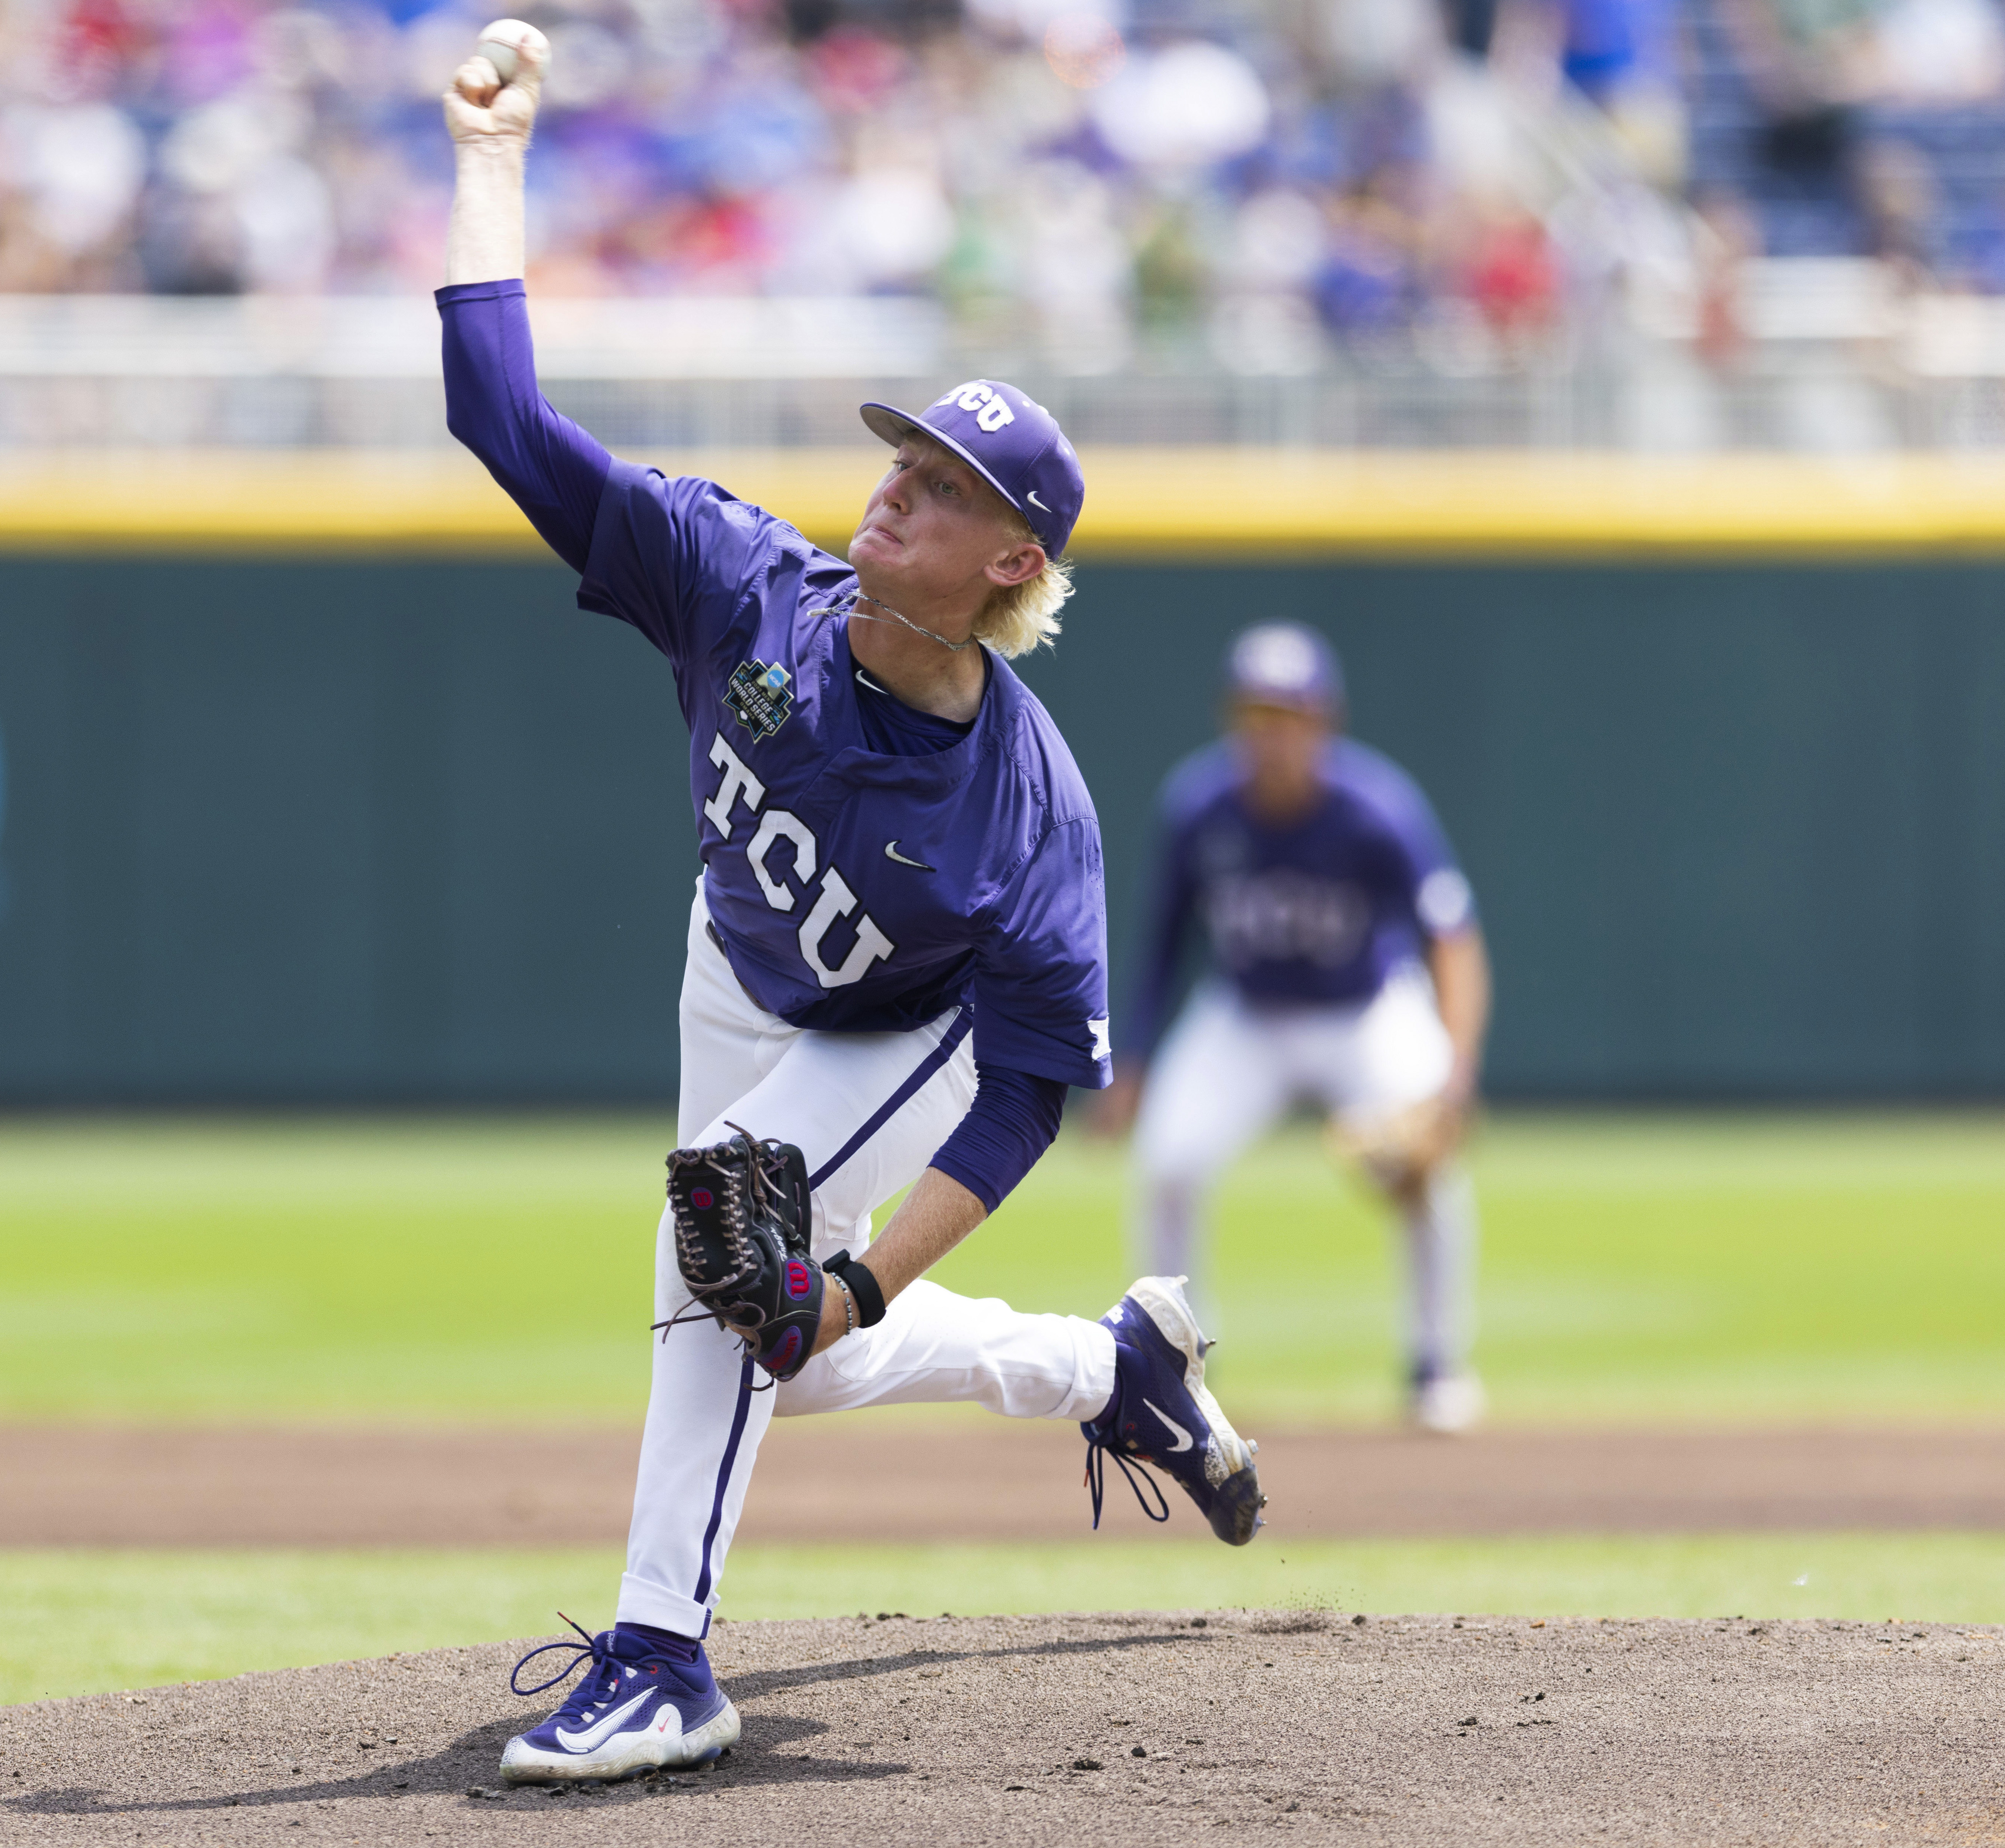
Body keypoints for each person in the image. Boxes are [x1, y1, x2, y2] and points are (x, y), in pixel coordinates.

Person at [438, 20, 1264, 1788]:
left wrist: (871, 1281)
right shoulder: (742, 585)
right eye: (905, 455)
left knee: (715, 1256)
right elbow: (496, 418)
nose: (899, 479)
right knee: (770, 1354)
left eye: (949, 487)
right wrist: (490, 166)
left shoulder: (1029, 818)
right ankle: (1108, 1365)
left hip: (916, 1038)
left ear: (1011, 563)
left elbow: (1036, 1090)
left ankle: (665, 1654)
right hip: (734, 975)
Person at [1090, 623, 1493, 1433]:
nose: (1271, 731)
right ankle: (1171, 1366)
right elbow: (1165, 937)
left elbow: (1454, 939)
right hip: (1246, 1015)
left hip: (1366, 1011)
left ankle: (1436, 1362)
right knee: (1169, 1161)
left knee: (1427, 1170)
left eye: (1289, 712)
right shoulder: (1200, 805)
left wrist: (1452, 1081)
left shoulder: (1376, 809)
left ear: (1324, 720)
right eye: (1255, 711)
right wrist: (1129, 1057)